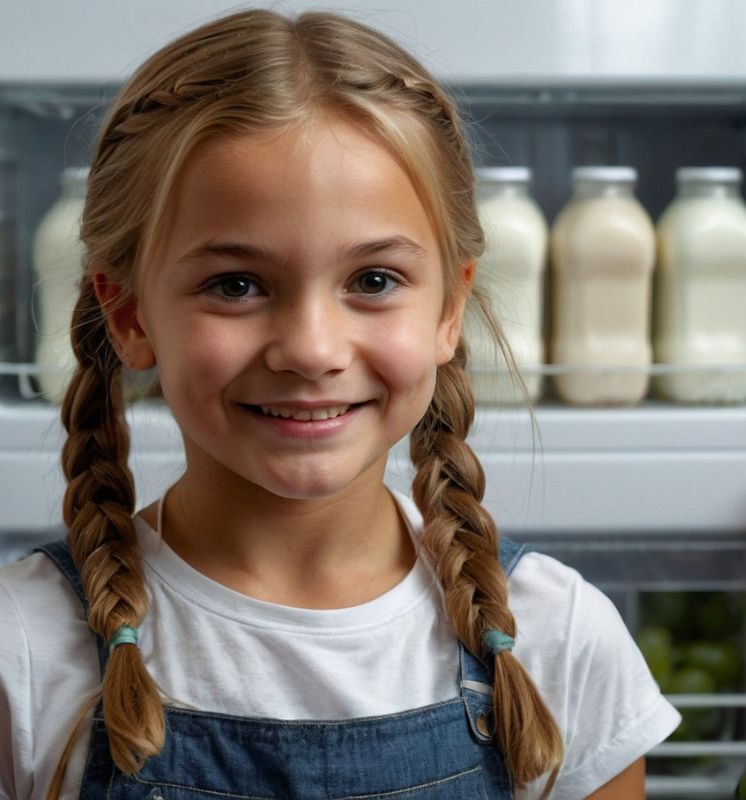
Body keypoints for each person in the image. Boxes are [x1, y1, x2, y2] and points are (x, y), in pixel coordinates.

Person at [0, 9, 680, 799]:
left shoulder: (559, 641)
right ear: (130, 316)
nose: (313, 348)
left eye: (374, 281)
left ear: (448, 312)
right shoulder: (23, 650)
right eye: (236, 285)